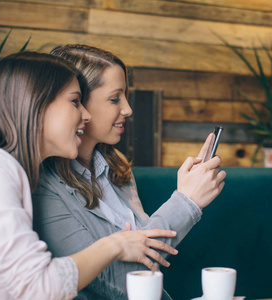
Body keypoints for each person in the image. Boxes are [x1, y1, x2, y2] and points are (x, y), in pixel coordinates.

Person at [32, 44, 226, 299]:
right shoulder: (44, 185)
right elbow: (118, 282)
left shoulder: (115, 166)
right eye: (115, 98)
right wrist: (186, 202)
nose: (128, 109)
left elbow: (146, 259)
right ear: (78, 102)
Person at [0, 52, 178, 300]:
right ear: (36, 104)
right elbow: (36, 285)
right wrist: (114, 244)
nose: (85, 115)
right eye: (75, 102)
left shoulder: (11, 170)